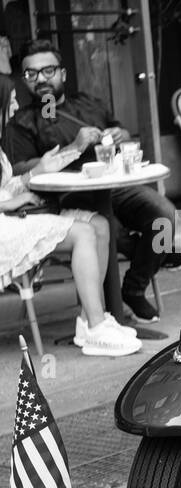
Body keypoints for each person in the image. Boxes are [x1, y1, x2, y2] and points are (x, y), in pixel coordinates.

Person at [2, 39, 181, 324]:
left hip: (113, 187)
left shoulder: (88, 103)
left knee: (165, 216)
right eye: (31, 74)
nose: (40, 79)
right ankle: (148, 267)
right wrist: (73, 147)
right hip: (67, 199)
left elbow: (119, 130)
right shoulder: (22, 123)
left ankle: (133, 288)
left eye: (48, 70)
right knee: (110, 232)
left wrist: (121, 134)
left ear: (63, 73)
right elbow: (21, 172)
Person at [1, 146, 140, 356]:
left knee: (100, 225)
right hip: (6, 226)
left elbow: (6, 185)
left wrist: (37, 171)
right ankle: (97, 326)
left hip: (17, 215)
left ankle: (89, 322)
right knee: (83, 233)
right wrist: (11, 203)